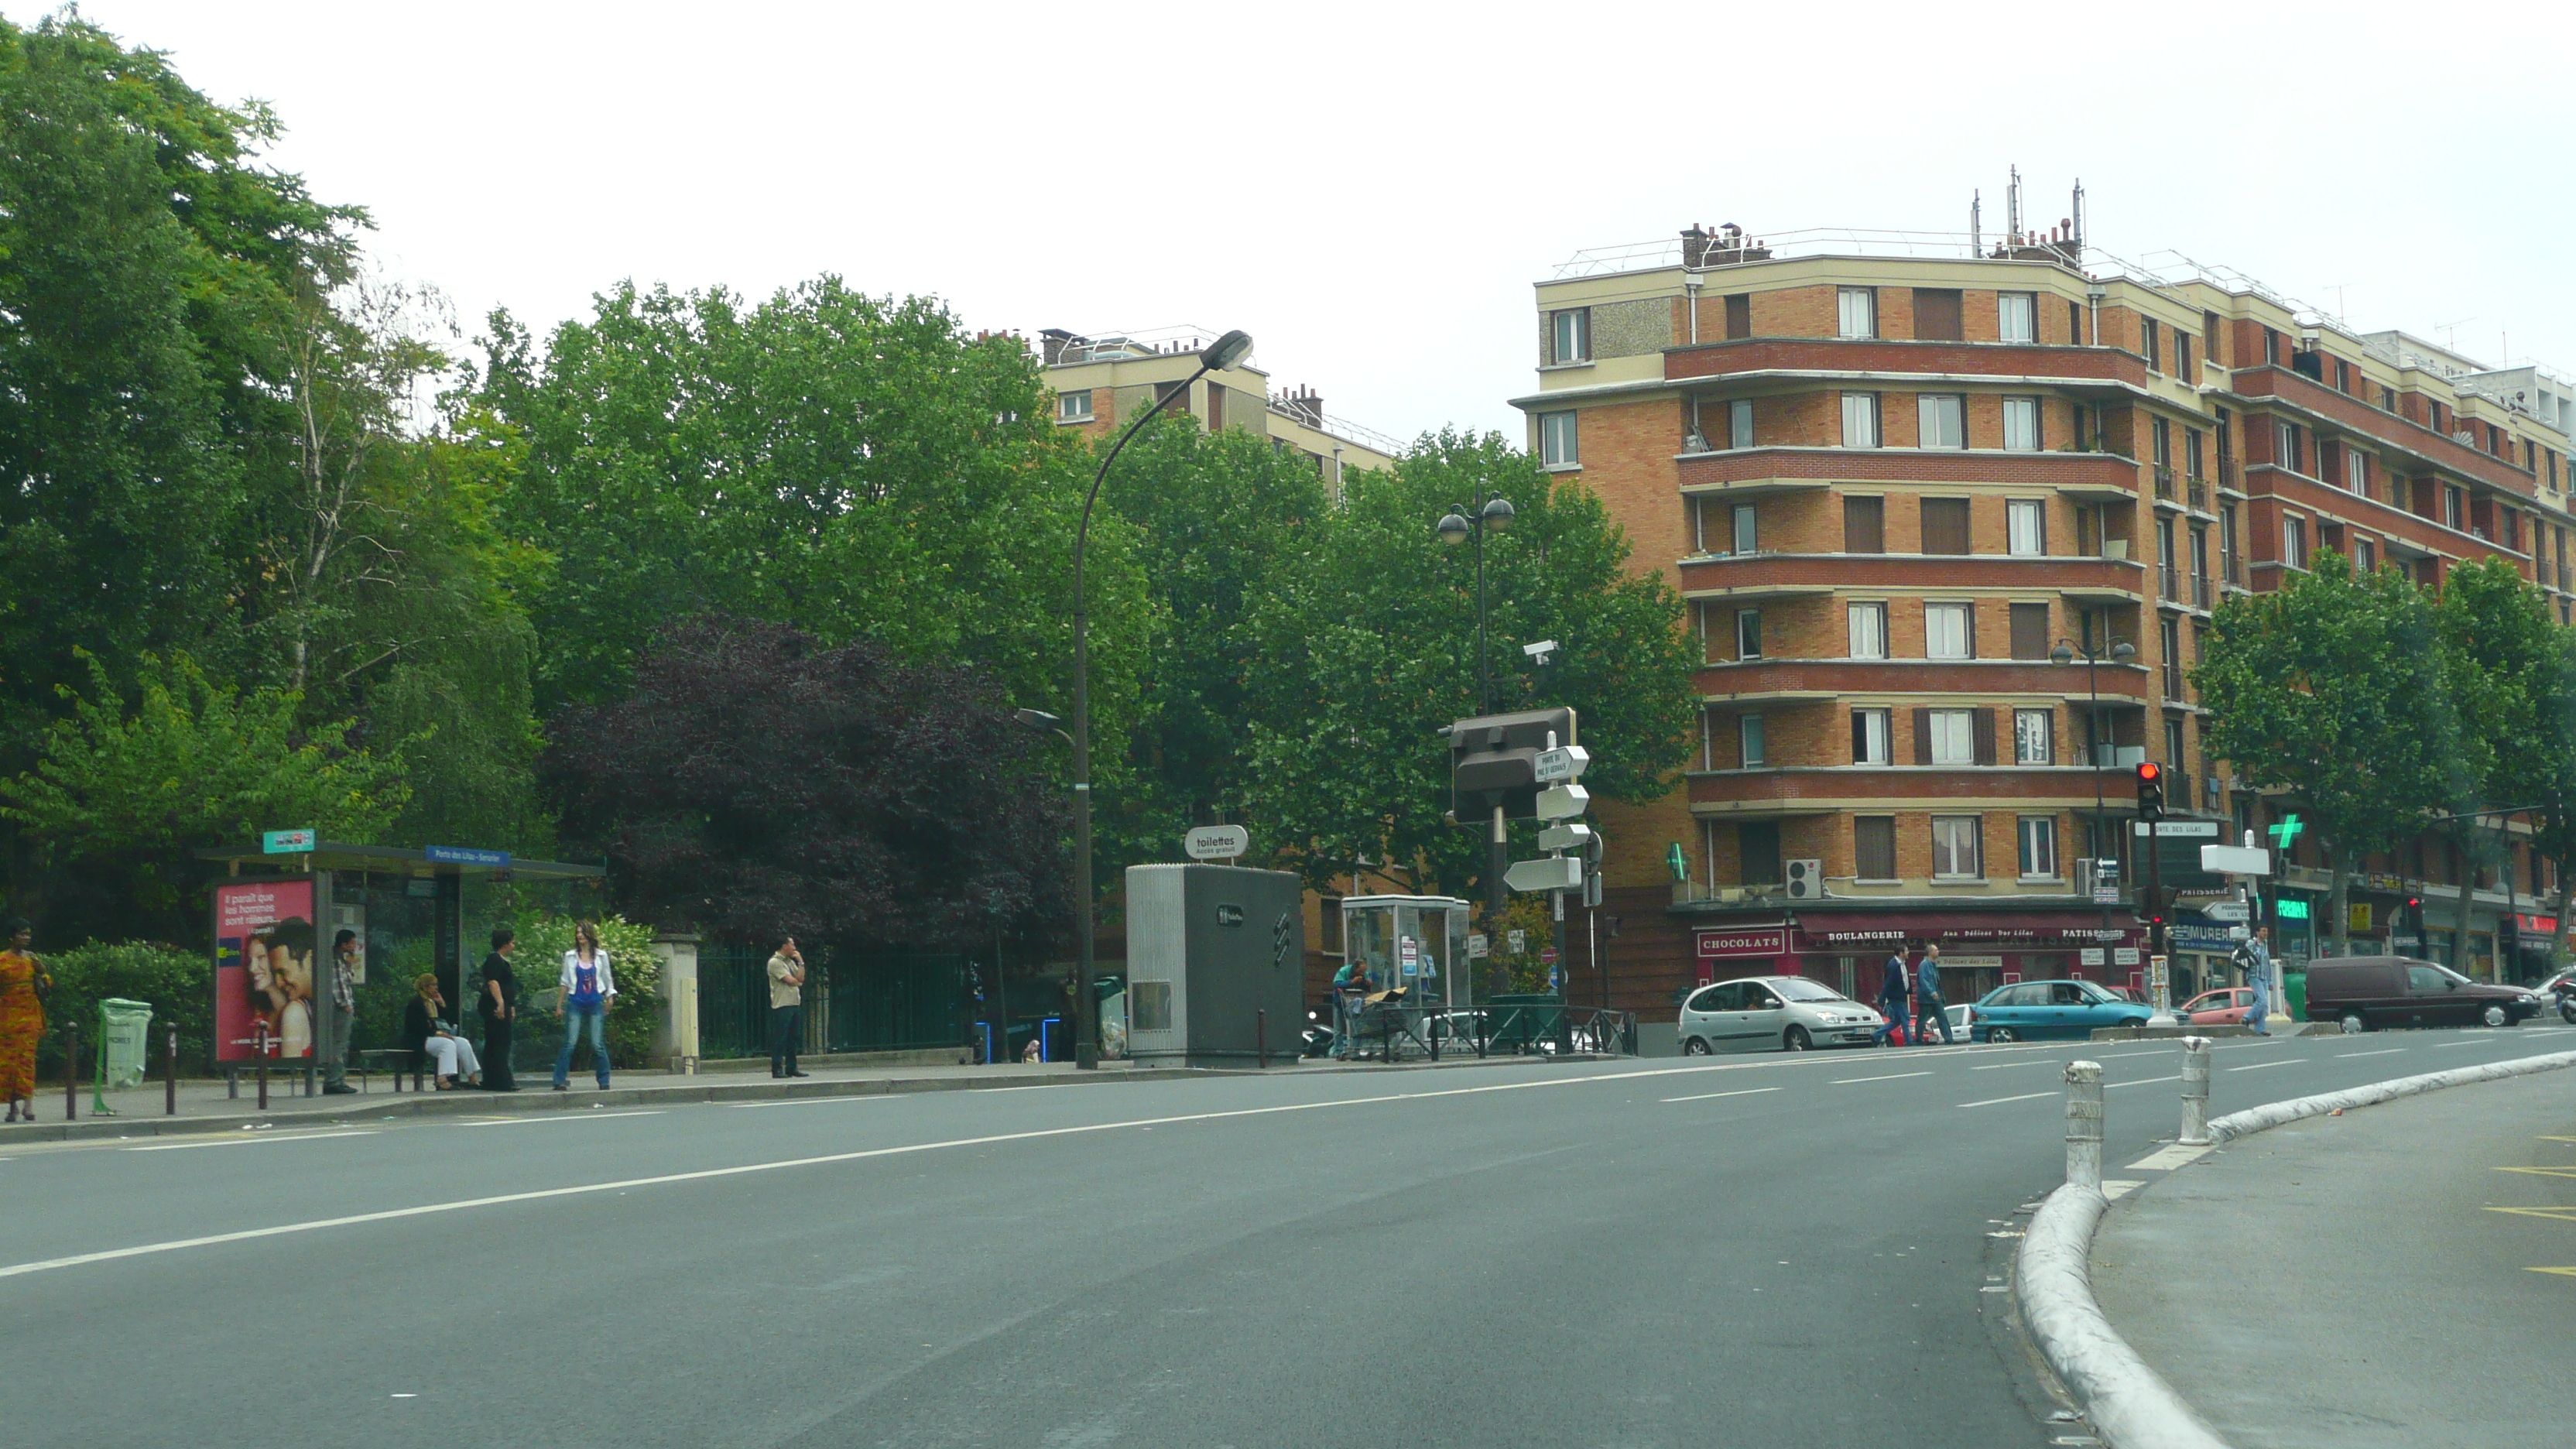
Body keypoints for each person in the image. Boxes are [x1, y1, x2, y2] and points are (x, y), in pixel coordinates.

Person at [553, 920, 616, 1091]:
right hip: (576, 1003)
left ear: (589, 934)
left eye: (582, 932)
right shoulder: (570, 956)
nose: (579, 935)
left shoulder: (601, 956)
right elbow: (565, 981)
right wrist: (559, 1005)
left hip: (595, 1002)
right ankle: (559, 1080)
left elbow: (607, 978)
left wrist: (610, 997)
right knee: (570, 1043)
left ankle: (604, 1080)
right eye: (577, 933)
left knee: (597, 1044)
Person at [2, 919, 51, 1123]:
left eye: (29, 934)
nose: (26, 938)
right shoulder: (2, 960)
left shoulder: (32, 959)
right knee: (8, 1064)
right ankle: (12, 1108)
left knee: (27, 1063)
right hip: (6, 1020)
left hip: (30, 1018)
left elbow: (48, 984)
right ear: (12, 937)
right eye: (22, 934)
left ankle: (28, 1107)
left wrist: (42, 970)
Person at [403, 973, 482, 1089]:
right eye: (433, 985)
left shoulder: (433, 1002)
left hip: (438, 1035)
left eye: (436, 985)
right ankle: (442, 1079)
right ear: (425, 987)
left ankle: (472, 1077)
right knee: (447, 1044)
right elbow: (417, 1026)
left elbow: (446, 1021)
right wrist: (437, 1033)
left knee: (463, 1043)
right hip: (422, 1038)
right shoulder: (416, 1003)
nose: (436, 988)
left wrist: (442, 1004)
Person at [320, 929, 361, 1095]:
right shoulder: (335, 959)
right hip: (339, 1007)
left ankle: (338, 1078)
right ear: (344, 944)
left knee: (342, 1044)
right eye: (352, 943)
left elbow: (349, 979)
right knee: (339, 1044)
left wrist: (350, 964)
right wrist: (345, 1004)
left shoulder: (341, 959)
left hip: (340, 1005)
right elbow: (338, 984)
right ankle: (334, 1080)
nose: (355, 946)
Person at [480, 926, 520, 1092]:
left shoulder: (500, 960)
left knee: (496, 1042)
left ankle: (493, 1078)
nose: (513, 946)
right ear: (505, 944)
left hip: (504, 1004)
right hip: (496, 1005)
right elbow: (493, 982)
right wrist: (500, 1003)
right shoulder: (495, 960)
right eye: (512, 942)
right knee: (500, 1043)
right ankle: (501, 1080)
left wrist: (510, 1005)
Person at [766, 937, 808, 1078]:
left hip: (794, 1002)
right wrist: (797, 981)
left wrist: (801, 962)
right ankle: (777, 1068)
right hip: (782, 1004)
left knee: (793, 1037)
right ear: (784, 946)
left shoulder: (790, 961)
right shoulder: (775, 962)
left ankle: (792, 1067)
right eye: (792, 944)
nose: (794, 947)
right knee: (781, 1037)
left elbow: (800, 978)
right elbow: (790, 981)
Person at [1331, 957, 1374, 1060]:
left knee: (1358, 1027)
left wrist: (1367, 984)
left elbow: (1366, 989)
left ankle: (1355, 1050)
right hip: (1341, 1003)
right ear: (1355, 969)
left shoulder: (1365, 974)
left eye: (1363, 972)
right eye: (1360, 971)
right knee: (1338, 1029)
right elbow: (1336, 984)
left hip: (1355, 1004)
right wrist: (1351, 982)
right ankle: (1339, 1051)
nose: (1362, 974)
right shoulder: (1344, 971)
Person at [2236, 927, 2275, 1036]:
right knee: (2261, 1000)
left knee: (2265, 1005)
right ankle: (2245, 1018)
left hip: (2263, 977)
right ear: (2257, 932)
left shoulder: (2265, 945)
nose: (2265, 933)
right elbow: (2252, 957)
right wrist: (2257, 945)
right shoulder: (2251, 943)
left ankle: (2260, 1029)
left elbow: (2267, 964)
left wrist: (2270, 981)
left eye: (2266, 931)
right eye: (2263, 931)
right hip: (2254, 976)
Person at [1914, 943, 1953, 1045]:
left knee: (1942, 1018)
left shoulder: (1933, 965)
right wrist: (1931, 992)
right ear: (1930, 952)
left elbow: (1937, 983)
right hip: (1926, 999)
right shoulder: (1924, 965)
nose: (1938, 951)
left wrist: (1940, 996)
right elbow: (1924, 980)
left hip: (1936, 999)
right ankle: (1919, 1039)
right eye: (1936, 950)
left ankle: (1949, 1039)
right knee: (1922, 1019)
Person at [1874, 947, 1910, 1047]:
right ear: (1901, 953)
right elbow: (1888, 984)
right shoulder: (1893, 965)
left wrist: (1908, 990)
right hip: (1896, 997)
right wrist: (1881, 1000)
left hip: (1901, 996)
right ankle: (1909, 1041)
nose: (1908, 953)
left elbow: (1905, 979)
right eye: (1906, 951)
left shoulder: (1902, 964)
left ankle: (1876, 1035)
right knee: (1906, 1019)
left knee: (1896, 1021)